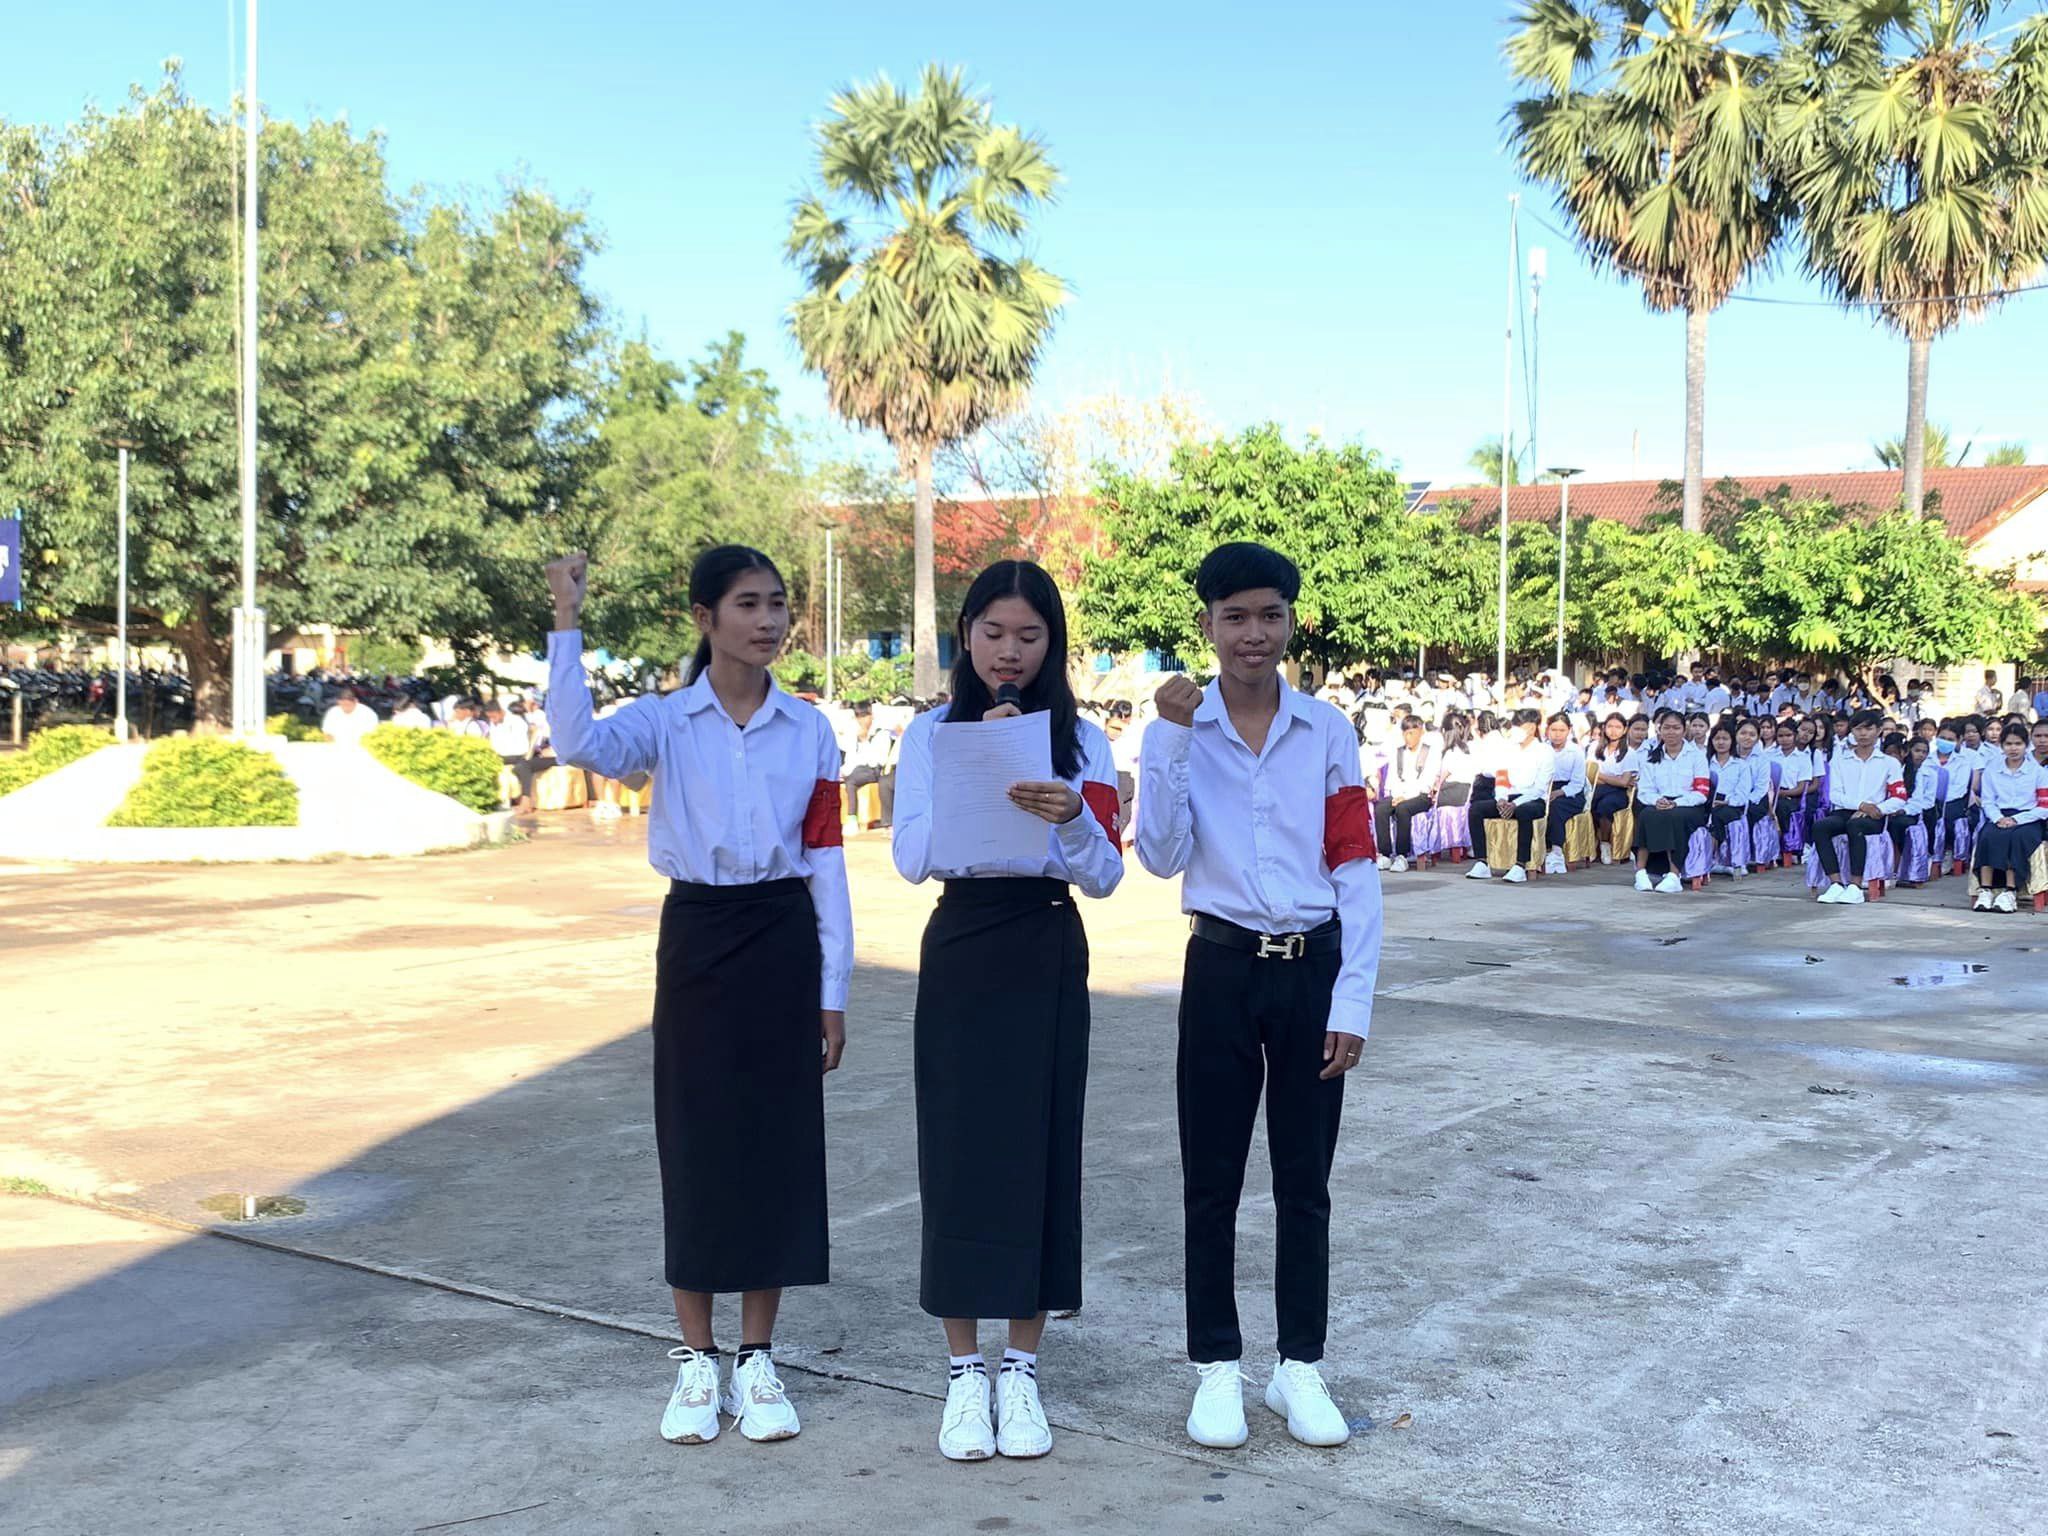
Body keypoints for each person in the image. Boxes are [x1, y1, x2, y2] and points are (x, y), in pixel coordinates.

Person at [544, 546, 851, 1447]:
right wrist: (568, 621)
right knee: (695, 1140)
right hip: (699, 941)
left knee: (779, 1148)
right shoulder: (665, 723)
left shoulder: (811, 729)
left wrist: (833, 989)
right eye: (748, 604)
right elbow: (575, 744)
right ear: (704, 618)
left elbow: (828, 862)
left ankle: (758, 1358)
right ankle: (695, 1358)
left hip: (783, 939)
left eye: (778, 604)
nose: (768, 621)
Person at [1135, 543, 1379, 1455]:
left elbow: (1355, 866)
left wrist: (1351, 999)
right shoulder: (1179, 731)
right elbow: (1157, 855)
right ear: (1205, 624)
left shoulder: (1327, 730)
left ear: (1289, 623)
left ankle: (1298, 1366)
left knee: (1303, 1182)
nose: (1252, 634)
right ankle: (1216, 1367)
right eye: (1233, 616)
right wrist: (1161, 737)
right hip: (1222, 967)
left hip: (1309, 969)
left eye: (1268, 616)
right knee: (1212, 1181)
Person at [891, 560, 1124, 1464]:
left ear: (1052, 644)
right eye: (994, 633)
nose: (1011, 653)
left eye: (1030, 636)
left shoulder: (1084, 742)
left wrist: (1068, 817)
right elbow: (911, 859)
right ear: (967, 636)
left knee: (1040, 1149)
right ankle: (963, 1375)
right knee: (954, 1151)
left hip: (1047, 944)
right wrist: (978, 773)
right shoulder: (927, 736)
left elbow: (1105, 876)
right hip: (960, 943)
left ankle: (1022, 1369)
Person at [1812, 709, 1906, 905]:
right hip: (1845, 811)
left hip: (1873, 815)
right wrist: (1861, 805)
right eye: (1858, 729)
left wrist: (1877, 809)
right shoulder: (1839, 760)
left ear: (1879, 730)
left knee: (1856, 827)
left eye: (1869, 728)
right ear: (1851, 731)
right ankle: (1836, 883)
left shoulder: (1889, 763)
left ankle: (1855, 886)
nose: (1863, 734)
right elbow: (1835, 794)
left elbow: (1899, 797)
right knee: (1821, 827)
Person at [1468, 707, 1553, 884]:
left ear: (1531, 727)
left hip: (1532, 800)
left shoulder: (1544, 751)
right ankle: (1482, 862)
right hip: (1508, 797)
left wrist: (1516, 804)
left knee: (1524, 812)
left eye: (1518, 726)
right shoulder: (1509, 749)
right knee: (1476, 809)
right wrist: (1501, 799)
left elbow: (1539, 788)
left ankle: (1520, 865)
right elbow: (1502, 776)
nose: (1513, 730)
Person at [1972, 724, 2048, 911]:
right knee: (1987, 835)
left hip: (2029, 818)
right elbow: (1988, 801)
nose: (2013, 748)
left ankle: (2010, 891)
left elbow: (2044, 806)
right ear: (2001, 745)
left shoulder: (2038, 772)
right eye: (2008, 744)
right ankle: (1986, 889)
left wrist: (2017, 820)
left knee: (2016, 837)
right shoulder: (1992, 769)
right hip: (2000, 815)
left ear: (2026, 745)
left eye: (2018, 744)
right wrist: (1998, 818)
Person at [1632, 711, 1708, 894]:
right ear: (1659, 730)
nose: (1671, 732)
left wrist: (1677, 803)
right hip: (1660, 801)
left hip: (1689, 805)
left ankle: (1674, 875)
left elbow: (1702, 792)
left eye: (1676, 728)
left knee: (1675, 817)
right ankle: (1641, 872)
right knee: (1646, 814)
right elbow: (1644, 790)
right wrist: (1657, 800)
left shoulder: (1696, 756)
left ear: (1684, 730)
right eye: (1666, 728)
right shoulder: (1652, 756)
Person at [1374, 715, 1438, 873]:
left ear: (1420, 732)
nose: (1408, 737)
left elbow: (1427, 780)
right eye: (1405, 733)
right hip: (1398, 793)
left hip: (1421, 795)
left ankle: (1402, 855)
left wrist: (1406, 796)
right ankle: (1385, 854)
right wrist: (1396, 795)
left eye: (1411, 733)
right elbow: (1393, 778)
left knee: (1403, 809)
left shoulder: (1430, 752)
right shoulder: (1399, 752)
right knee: (1381, 808)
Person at [1588, 713, 1637, 866]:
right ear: (1603, 728)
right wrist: (1612, 779)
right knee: (1589, 802)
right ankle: (1591, 845)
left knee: (1605, 805)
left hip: (1618, 793)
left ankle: (1605, 844)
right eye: (1610, 726)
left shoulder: (1629, 753)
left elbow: (1624, 782)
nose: (1613, 731)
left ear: (1624, 730)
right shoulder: (1594, 747)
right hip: (1597, 788)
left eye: (1618, 727)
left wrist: (1600, 775)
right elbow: (1589, 774)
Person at [1540, 712, 1586, 876]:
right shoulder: (1542, 749)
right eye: (1554, 730)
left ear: (1569, 730)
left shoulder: (1576, 752)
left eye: (1562, 730)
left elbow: (1578, 783)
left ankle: (1556, 850)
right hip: (1544, 788)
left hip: (1570, 793)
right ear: (1547, 730)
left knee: (1556, 807)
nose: (1557, 734)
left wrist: (1560, 792)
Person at [842, 703, 897, 830]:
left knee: (851, 781)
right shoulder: (853, 734)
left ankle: (852, 818)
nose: (862, 720)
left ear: (871, 716)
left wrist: (865, 741)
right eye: (859, 717)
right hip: (858, 770)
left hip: (875, 770)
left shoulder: (881, 733)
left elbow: (876, 761)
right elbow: (850, 758)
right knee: (847, 777)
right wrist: (844, 770)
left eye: (864, 716)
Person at [486, 701, 539, 811]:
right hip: (500, 755)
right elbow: (494, 742)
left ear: (500, 712)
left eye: (493, 716)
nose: (492, 720)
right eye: (490, 717)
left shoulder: (516, 722)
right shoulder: (494, 723)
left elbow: (521, 746)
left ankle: (507, 801)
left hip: (516, 755)